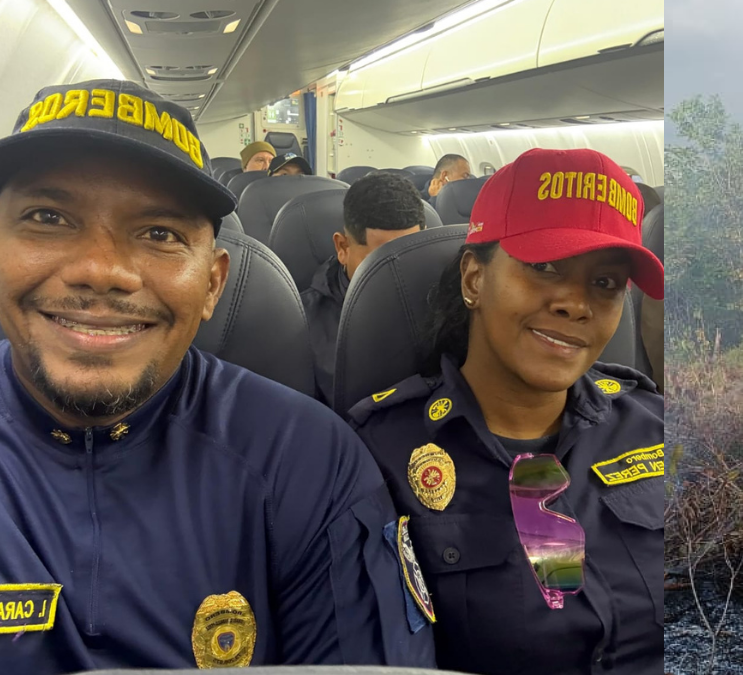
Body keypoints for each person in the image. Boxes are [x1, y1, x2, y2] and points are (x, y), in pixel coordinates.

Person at [0, 79, 435, 672]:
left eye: (160, 234)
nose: (100, 271)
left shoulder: (307, 461)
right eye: (48, 217)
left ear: (212, 283)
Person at [349, 147, 665, 674]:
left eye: (605, 283)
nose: (576, 303)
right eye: (544, 267)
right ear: (474, 278)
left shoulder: (654, 425)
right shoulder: (377, 454)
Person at [302, 173, 426, 405]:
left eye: (411, 255)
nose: (399, 276)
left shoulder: (444, 304)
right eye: (382, 261)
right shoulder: (301, 325)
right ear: (343, 248)